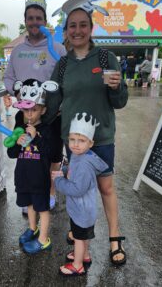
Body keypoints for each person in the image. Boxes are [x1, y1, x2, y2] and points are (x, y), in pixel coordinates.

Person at [44, 4, 128, 266]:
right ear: (66, 32)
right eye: (72, 26)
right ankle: (81, 236)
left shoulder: (105, 59)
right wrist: (33, 121)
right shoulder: (63, 64)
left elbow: (120, 101)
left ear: (91, 29)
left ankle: (115, 238)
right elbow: (53, 100)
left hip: (100, 137)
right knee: (78, 190)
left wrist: (117, 88)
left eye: (83, 25)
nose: (77, 30)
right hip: (74, 141)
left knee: (105, 188)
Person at [3, 0, 66, 213]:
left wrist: (58, 103)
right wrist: (18, 92)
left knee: (53, 155)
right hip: (26, 114)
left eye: (39, 18)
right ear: (25, 20)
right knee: (27, 153)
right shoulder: (18, 51)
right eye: (30, 18)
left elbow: (66, 80)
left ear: (45, 21)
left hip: (52, 114)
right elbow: (8, 78)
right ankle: (30, 195)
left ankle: (49, 192)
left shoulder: (57, 49)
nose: (35, 22)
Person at [52, 113, 108, 276]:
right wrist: (64, 170)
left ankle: (77, 265)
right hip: (85, 210)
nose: (76, 144)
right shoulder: (81, 155)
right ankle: (84, 255)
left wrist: (59, 181)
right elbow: (72, 172)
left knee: (78, 237)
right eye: (72, 139)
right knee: (83, 236)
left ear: (91, 143)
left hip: (82, 210)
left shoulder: (83, 163)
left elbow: (77, 189)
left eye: (81, 140)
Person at [7, 78, 58, 254]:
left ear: (43, 110)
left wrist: (36, 137)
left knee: (42, 208)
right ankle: (32, 228)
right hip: (23, 177)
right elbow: (11, 154)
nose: (29, 114)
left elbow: (51, 154)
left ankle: (43, 239)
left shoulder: (47, 130)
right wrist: (17, 143)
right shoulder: (19, 129)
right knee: (29, 205)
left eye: (34, 110)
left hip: (40, 179)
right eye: (25, 110)